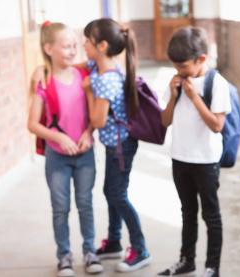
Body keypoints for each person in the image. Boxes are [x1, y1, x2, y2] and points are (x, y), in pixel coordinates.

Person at [27, 21, 103, 277]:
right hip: (57, 158)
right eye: (66, 46)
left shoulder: (83, 76)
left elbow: (93, 116)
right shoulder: (44, 82)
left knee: (85, 203)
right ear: (48, 48)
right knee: (60, 208)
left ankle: (90, 251)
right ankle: (64, 256)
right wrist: (58, 138)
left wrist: (87, 133)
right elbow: (33, 124)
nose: (72, 51)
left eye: (74, 46)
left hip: (85, 154)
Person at [158, 27, 231, 277]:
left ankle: (212, 267)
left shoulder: (216, 83)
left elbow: (217, 125)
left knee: (211, 215)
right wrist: (174, 95)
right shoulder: (176, 81)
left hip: (206, 161)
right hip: (180, 157)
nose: (179, 71)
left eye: (183, 66)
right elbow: (165, 121)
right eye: (175, 66)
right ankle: (186, 260)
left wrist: (193, 96)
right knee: (187, 212)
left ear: (201, 59)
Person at [82, 18, 151, 272]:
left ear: (101, 46)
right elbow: (82, 64)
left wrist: (88, 91)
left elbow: (98, 120)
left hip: (121, 147)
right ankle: (113, 242)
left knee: (117, 195)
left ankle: (141, 248)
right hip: (116, 146)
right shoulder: (100, 66)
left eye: (86, 41)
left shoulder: (106, 80)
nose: (82, 45)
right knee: (111, 192)